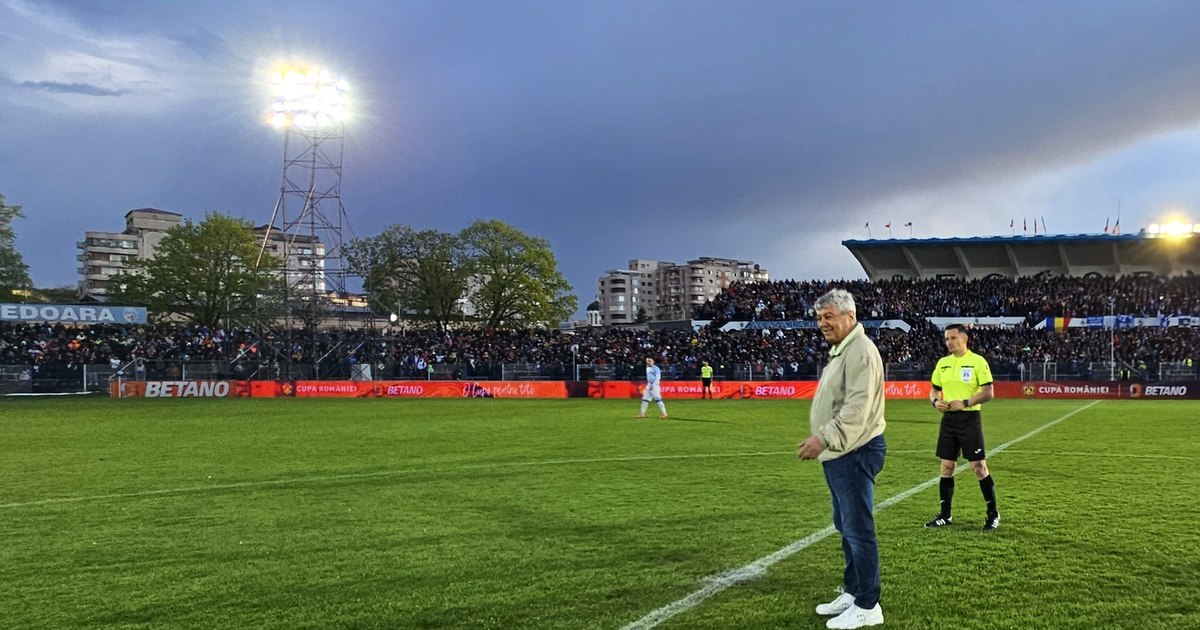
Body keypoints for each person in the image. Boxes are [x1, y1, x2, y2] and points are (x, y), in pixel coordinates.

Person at [798, 289, 887, 629]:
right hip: (841, 453)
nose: (823, 323)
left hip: (854, 451)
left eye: (829, 317)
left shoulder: (860, 351)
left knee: (858, 530)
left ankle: (868, 605)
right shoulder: (844, 349)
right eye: (820, 318)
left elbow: (856, 409)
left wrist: (823, 438)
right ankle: (853, 591)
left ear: (850, 317)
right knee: (847, 527)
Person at [926, 323, 999, 531]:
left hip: (969, 419)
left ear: (964, 339)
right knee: (947, 466)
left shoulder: (977, 362)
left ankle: (993, 514)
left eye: (953, 338)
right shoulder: (943, 363)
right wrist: (935, 401)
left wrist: (966, 402)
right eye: (947, 339)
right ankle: (945, 515)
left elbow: (988, 392)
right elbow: (934, 390)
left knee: (979, 467)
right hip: (948, 420)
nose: (949, 342)